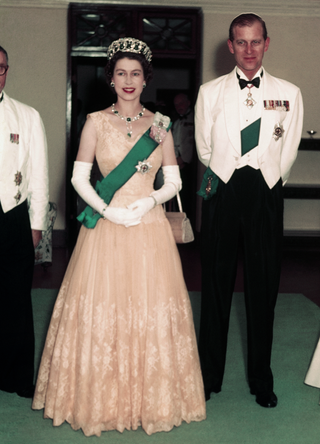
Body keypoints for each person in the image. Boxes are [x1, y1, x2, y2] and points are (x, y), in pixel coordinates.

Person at [32, 37, 205, 436]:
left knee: (150, 309)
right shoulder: (94, 122)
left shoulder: (160, 126)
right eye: (121, 73)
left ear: (146, 80)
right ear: (111, 79)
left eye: (136, 74)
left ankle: (150, 400)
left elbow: (174, 181)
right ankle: (102, 400)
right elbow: (78, 177)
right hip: (107, 230)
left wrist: (149, 203)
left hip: (148, 229)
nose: (129, 81)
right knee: (104, 308)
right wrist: (107, 210)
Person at [195, 13, 303, 408]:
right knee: (215, 287)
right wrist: (225, 174)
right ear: (230, 46)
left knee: (263, 289)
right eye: (241, 42)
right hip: (223, 190)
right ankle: (209, 376)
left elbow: (288, 148)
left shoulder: (289, 93)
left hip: (265, 192)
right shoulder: (209, 91)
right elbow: (204, 147)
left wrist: (268, 181)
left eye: (255, 41)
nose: (249, 50)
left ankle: (261, 378)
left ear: (267, 43)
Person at [0, 46, 49, 398]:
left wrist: (36, 226)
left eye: (0, 68)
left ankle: (16, 377)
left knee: (16, 300)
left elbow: (40, 176)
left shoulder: (26, 116)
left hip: (12, 217)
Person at [172, 93, 194, 215]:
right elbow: (175, 142)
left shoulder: (195, 118)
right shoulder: (175, 121)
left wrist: (185, 159)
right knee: (178, 196)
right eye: (176, 104)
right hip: (177, 163)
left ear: (188, 103)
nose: (178, 106)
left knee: (189, 198)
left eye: (181, 103)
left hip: (190, 165)